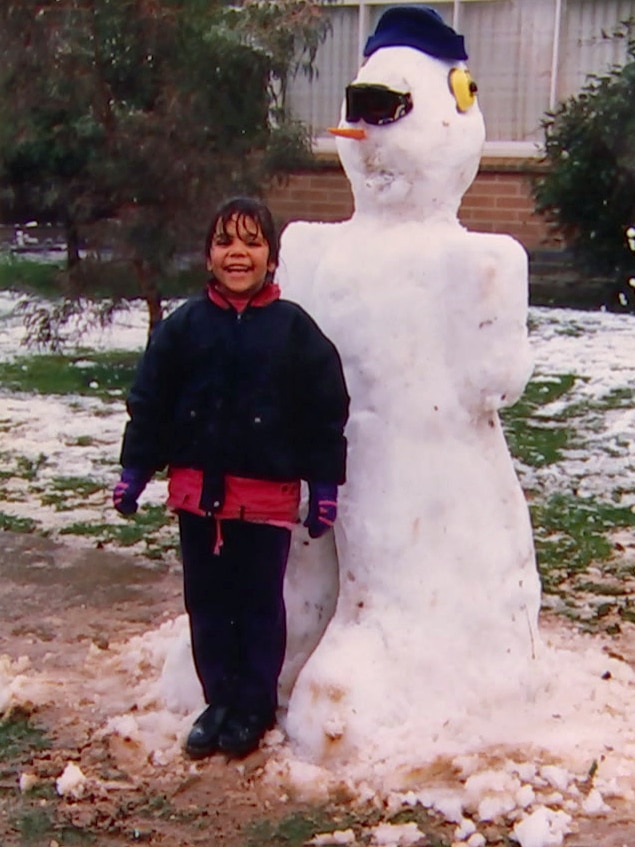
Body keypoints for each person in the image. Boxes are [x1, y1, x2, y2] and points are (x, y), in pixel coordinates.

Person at [113, 196, 349, 760]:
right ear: (208, 255)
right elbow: (151, 402)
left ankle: (253, 706)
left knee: (258, 604)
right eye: (224, 242)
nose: (237, 253)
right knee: (208, 604)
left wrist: (324, 486)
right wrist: (135, 469)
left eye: (251, 242)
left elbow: (324, 411)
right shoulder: (184, 328)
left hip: (263, 501)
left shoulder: (294, 331)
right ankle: (217, 701)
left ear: (271, 258)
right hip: (198, 496)